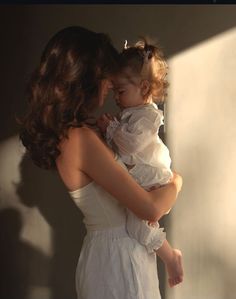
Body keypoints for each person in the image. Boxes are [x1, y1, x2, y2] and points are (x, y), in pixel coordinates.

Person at [19, 26, 182, 299]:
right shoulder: (80, 139)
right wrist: (177, 181)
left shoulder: (79, 133)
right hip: (117, 263)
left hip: (118, 255)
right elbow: (151, 209)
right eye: (106, 79)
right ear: (86, 79)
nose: (109, 88)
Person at [97, 39, 183, 288]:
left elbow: (132, 146)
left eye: (120, 91)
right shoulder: (131, 114)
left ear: (144, 87)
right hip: (141, 177)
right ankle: (169, 255)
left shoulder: (147, 116)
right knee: (140, 225)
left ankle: (171, 257)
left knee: (139, 227)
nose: (116, 97)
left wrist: (110, 128)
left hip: (150, 177)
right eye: (114, 91)